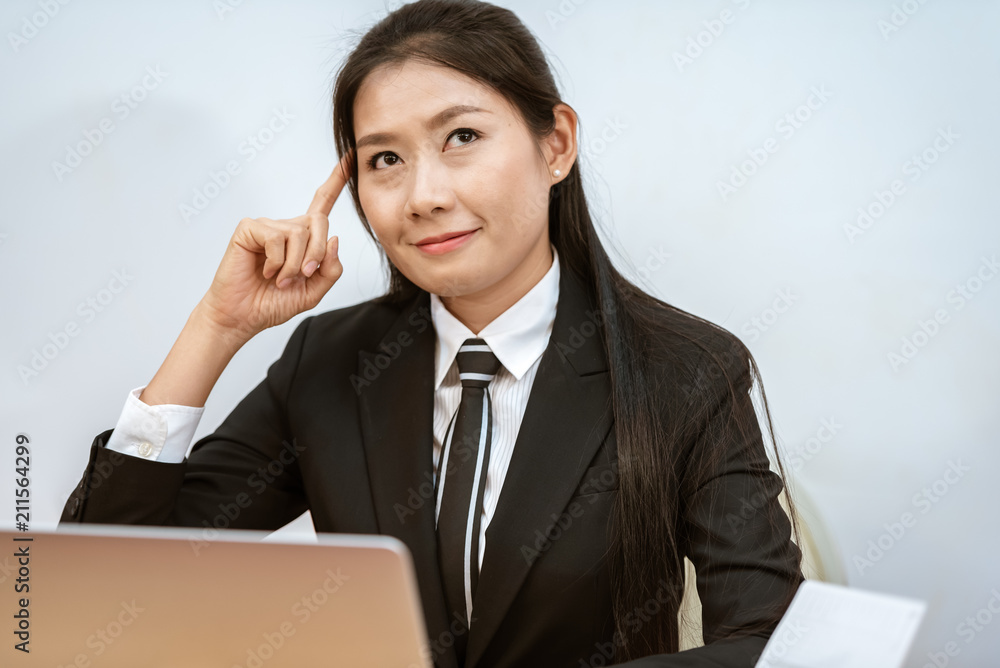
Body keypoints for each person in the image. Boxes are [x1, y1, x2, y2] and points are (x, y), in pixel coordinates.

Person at [59, 1, 804, 666]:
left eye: (462, 136)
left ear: (555, 145)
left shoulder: (687, 369)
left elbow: (768, 642)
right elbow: (108, 581)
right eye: (386, 159)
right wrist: (216, 327)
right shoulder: (332, 361)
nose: (424, 196)